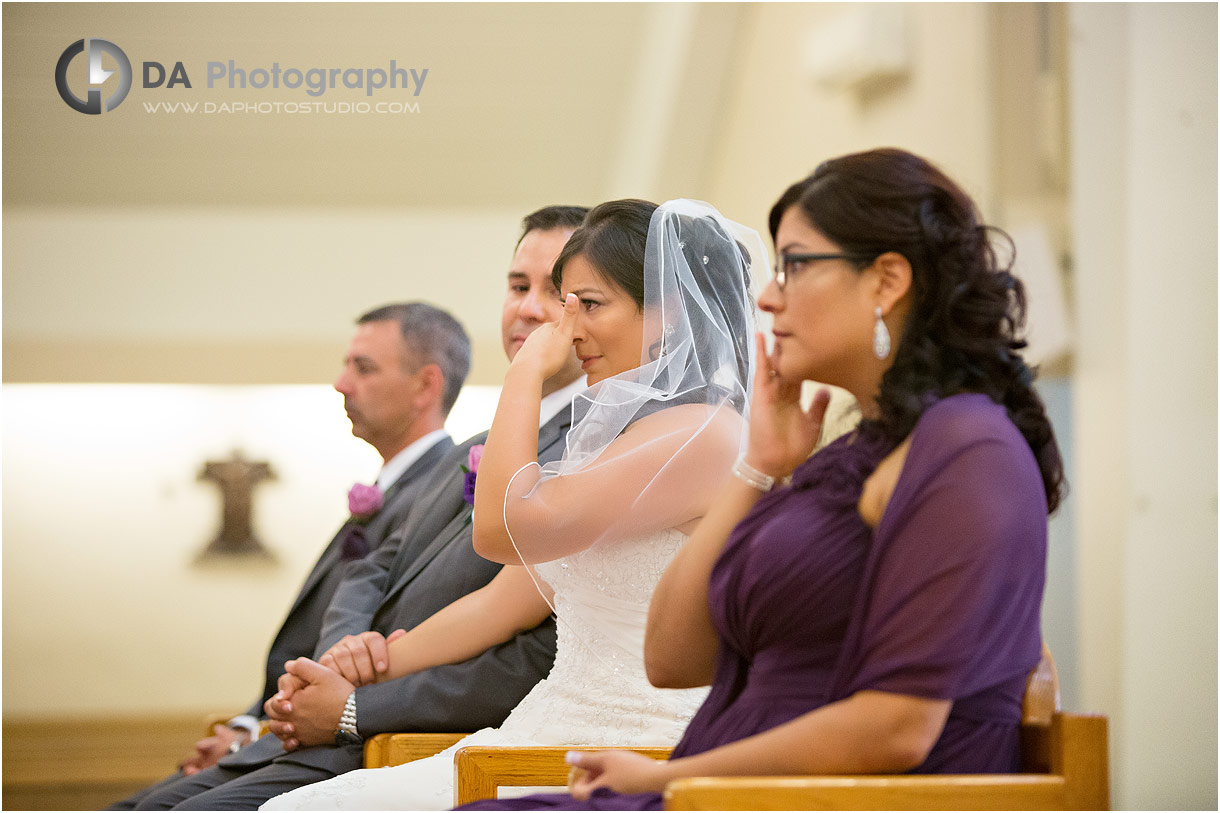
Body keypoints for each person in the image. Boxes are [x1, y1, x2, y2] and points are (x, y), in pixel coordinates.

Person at [459, 147, 1066, 811]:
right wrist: (756, 467)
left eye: (796, 265)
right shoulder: (838, 454)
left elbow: (896, 729)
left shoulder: (964, 449)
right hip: (718, 785)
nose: (769, 296)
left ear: (886, 281)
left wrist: (663, 778)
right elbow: (672, 658)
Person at [259, 198, 765, 810]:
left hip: (639, 745)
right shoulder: (632, 436)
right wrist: (358, 667)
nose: (568, 328)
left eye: (590, 305)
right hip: (547, 730)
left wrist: (523, 376)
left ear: (669, 312)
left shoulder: (705, 434)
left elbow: (500, 532)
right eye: (567, 304)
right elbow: (503, 601)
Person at [118, 205, 589, 810]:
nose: (526, 307)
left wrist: (354, 704)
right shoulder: (476, 447)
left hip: (403, 741)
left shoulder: (592, 450)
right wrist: (342, 658)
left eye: (555, 290)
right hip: (329, 726)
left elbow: (540, 650)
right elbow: (372, 568)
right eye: (517, 285)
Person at [109, 301, 468, 808]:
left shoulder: (444, 490)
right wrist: (246, 723)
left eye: (363, 367)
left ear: (425, 386)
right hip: (287, 723)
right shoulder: (394, 490)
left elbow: (383, 638)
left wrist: (257, 731)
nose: (341, 384)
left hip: (344, 736)